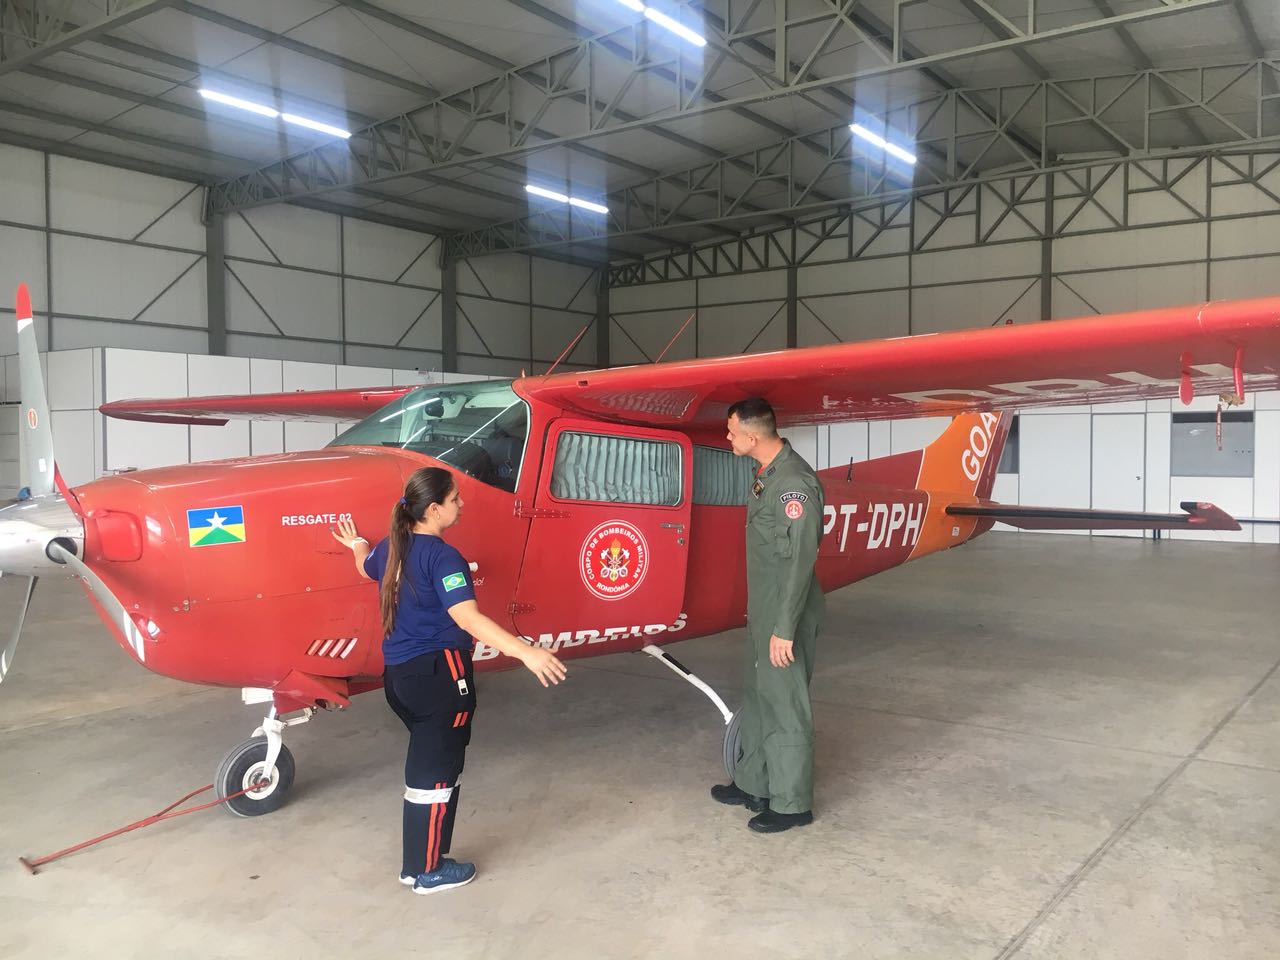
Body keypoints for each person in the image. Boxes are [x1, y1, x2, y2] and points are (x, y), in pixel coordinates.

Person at [332, 466, 566, 894]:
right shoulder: (443, 558)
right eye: (455, 498)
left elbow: (366, 567)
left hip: (401, 678)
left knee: (428, 767)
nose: (462, 503)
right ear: (434, 509)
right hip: (440, 677)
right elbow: (467, 617)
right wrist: (525, 652)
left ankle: (417, 864)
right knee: (437, 773)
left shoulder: (390, 547)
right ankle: (428, 872)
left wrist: (356, 544)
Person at [712, 397, 825, 833]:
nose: (728, 438)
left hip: (785, 615)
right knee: (760, 698)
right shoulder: (768, 475)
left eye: (731, 432)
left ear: (752, 436)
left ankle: (792, 804)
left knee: (785, 704)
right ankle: (754, 783)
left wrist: (784, 628)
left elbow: (799, 563)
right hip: (766, 610)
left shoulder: (794, 484)